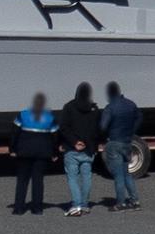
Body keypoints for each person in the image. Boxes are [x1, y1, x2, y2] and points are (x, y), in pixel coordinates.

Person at [10, 92, 58, 215]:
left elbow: (15, 132)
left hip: (24, 151)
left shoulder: (23, 114)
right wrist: (54, 152)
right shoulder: (50, 117)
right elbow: (55, 136)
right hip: (42, 152)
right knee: (38, 180)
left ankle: (19, 208)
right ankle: (37, 208)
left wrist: (12, 149)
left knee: (22, 180)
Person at [58, 82, 100, 217]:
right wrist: (89, 144)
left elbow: (64, 127)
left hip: (72, 148)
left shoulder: (69, 107)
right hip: (88, 150)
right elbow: (96, 130)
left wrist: (75, 142)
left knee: (72, 177)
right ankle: (85, 204)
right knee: (86, 177)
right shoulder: (94, 109)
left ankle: (76, 204)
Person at [100, 81, 142, 211]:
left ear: (109, 93)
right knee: (126, 173)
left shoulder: (110, 107)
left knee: (118, 175)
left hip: (114, 142)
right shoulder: (131, 104)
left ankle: (120, 203)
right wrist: (132, 130)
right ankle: (135, 201)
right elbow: (139, 118)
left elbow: (103, 126)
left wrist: (105, 134)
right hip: (127, 142)